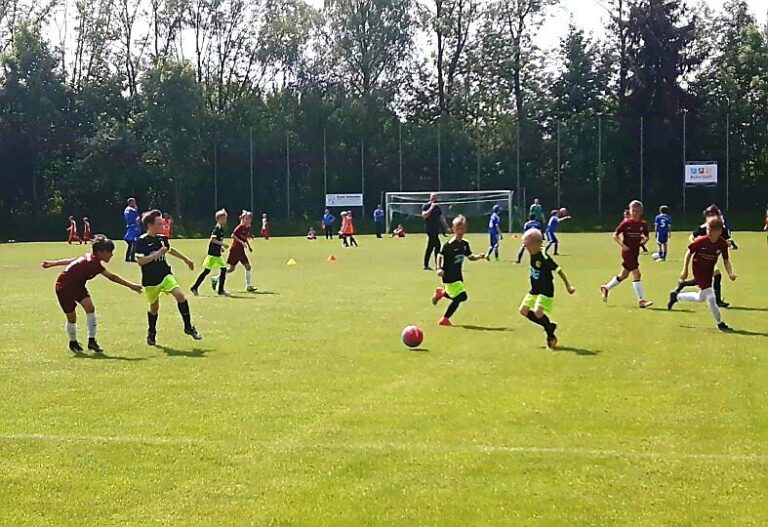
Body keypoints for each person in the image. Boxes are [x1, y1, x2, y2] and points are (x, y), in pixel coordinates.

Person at [42, 235, 143, 353]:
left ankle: (92, 341)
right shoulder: (93, 263)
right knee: (72, 317)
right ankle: (73, 342)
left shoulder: (91, 258)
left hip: (78, 285)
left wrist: (53, 263)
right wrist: (131, 286)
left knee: (90, 308)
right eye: (110, 252)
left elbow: (73, 260)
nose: (111, 255)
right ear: (101, 252)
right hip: (64, 287)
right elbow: (112, 277)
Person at [135, 209, 202, 345]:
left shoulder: (162, 238)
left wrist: (186, 259)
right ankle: (151, 333)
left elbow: (170, 250)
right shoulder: (142, 241)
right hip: (150, 280)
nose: (162, 226)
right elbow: (141, 261)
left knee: (180, 296)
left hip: (165, 274)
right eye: (159, 224)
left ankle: (188, 327)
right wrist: (158, 254)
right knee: (154, 307)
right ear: (150, 225)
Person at [667, 217, 735, 332]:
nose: (709, 232)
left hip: (709, 270)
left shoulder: (722, 243)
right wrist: (685, 270)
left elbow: (726, 260)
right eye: (708, 229)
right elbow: (689, 252)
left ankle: (676, 296)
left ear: (719, 231)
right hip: (698, 269)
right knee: (711, 297)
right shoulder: (701, 241)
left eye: (712, 230)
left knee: (701, 297)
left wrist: (730, 273)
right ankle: (720, 323)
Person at [519, 228, 576, 349]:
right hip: (535, 289)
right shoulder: (532, 253)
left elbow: (558, 270)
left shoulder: (543, 256)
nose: (525, 247)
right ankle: (549, 326)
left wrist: (568, 286)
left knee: (538, 312)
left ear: (536, 244)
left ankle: (550, 334)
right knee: (523, 310)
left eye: (526, 244)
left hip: (546, 289)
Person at [430, 215, 486, 326]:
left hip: (458, 275)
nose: (460, 231)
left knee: (460, 296)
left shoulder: (465, 244)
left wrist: (479, 256)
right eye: (457, 228)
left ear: (465, 229)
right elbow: (440, 255)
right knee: (461, 296)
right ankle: (445, 319)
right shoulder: (450, 244)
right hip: (448, 275)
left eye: (462, 228)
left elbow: (470, 257)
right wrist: (439, 268)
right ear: (453, 229)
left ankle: (441, 293)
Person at [673, 205, 731, 307]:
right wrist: (695, 243)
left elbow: (727, 240)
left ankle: (681, 286)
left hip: (712, 259)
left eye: (714, 214)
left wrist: (728, 243)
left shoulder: (720, 228)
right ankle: (717, 301)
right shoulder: (704, 228)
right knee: (716, 275)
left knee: (700, 281)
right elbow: (692, 236)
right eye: (709, 215)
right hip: (701, 258)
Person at [600, 200, 653, 308]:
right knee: (637, 274)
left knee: (624, 275)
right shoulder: (626, 223)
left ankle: (606, 287)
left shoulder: (643, 224)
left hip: (635, 252)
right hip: (627, 253)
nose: (635, 213)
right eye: (633, 211)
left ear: (641, 212)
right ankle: (641, 301)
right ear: (630, 211)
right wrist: (622, 245)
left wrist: (644, 241)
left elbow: (647, 236)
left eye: (637, 211)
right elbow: (615, 235)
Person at [212, 211, 256, 293]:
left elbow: (244, 238)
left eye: (249, 219)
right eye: (246, 219)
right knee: (232, 268)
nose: (248, 220)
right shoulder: (240, 227)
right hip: (235, 250)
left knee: (247, 267)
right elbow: (233, 235)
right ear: (243, 219)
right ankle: (216, 278)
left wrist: (249, 246)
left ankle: (249, 286)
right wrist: (241, 242)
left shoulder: (247, 227)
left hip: (241, 251)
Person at [190, 209, 230, 297]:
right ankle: (194, 287)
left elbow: (217, 241)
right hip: (213, 254)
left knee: (223, 270)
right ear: (218, 219)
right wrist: (223, 244)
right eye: (223, 218)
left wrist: (220, 248)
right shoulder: (217, 228)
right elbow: (212, 239)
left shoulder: (221, 228)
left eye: (225, 218)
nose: (225, 220)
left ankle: (220, 290)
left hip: (217, 254)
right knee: (207, 271)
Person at [422, 193, 450, 270]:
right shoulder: (426, 206)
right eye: (433, 198)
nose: (435, 199)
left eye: (436, 198)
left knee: (430, 247)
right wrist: (431, 207)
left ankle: (426, 265)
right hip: (430, 230)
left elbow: (441, 218)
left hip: (436, 229)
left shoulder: (438, 208)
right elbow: (424, 216)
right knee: (437, 245)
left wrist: (446, 227)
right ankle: (437, 265)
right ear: (430, 198)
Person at [124, 198, 141, 262]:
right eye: (134, 202)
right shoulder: (132, 210)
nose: (135, 203)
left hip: (130, 227)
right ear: (130, 203)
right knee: (134, 243)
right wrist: (136, 210)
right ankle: (132, 258)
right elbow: (137, 219)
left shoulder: (126, 209)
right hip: (133, 228)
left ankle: (128, 258)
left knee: (130, 244)